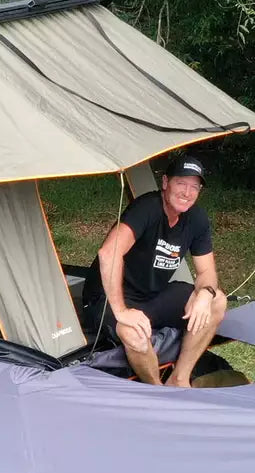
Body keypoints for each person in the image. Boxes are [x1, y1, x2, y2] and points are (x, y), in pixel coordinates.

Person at [82, 152, 226, 387]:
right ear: (166, 182)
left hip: (150, 297)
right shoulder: (146, 208)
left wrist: (205, 294)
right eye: (181, 183)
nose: (187, 193)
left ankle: (179, 379)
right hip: (108, 298)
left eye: (194, 187)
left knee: (217, 301)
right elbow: (108, 253)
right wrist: (121, 311)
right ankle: (158, 391)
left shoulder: (196, 218)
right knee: (134, 334)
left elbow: (207, 272)